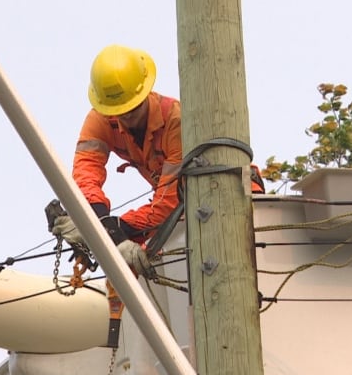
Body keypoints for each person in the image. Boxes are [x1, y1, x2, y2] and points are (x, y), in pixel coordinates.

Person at [52, 44, 263, 276]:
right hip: (187, 213)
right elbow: (85, 176)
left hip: (236, 200)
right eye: (118, 111)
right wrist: (97, 221)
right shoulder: (101, 120)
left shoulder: (175, 121)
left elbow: (167, 205)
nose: (126, 116)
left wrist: (116, 228)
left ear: (144, 92)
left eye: (132, 108)